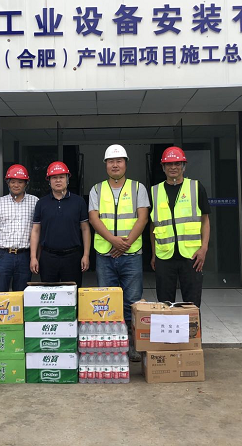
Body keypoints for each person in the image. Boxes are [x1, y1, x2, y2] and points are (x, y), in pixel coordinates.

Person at [88, 145, 149, 354]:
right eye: (111, 161)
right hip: (105, 255)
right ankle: (112, 345)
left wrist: (125, 244)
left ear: (126, 164)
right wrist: (113, 241)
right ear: (106, 165)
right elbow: (94, 218)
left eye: (119, 161)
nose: (115, 165)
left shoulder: (138, 188)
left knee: (133, 302)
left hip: (131, 255)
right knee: (107, 302)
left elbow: (143, 218)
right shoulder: (96, 189)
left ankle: (133, 345)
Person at [150, 147, 211, 308]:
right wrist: (154, 253)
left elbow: (205, 220)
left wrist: (204, 249)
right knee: (164, 304)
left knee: (192, 303)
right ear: (163, 167)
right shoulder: (154, 191)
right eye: (169, 164)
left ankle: (192, 326)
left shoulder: (196, 187)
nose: (173, 167)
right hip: (164, 256)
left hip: (191, 256)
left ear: (183, 166)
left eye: (177, 163)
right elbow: (153, 226)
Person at [30, 161, 90, 287]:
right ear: (49, 180)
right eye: (54, 177)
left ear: (67, 179)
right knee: (49, 294)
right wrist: (33, 257)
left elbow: (85, 229)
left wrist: (86, 255)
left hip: (72, 257)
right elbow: (36, 230)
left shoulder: (79, 202)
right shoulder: (41, 203)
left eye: (61, 177)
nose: (58, 180)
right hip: (48, 257)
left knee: (72, 294)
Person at [0, 164, 38, 292]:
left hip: (25, 255)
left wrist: (35, 257)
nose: (16, 185)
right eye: (13, 182)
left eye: (20, 182)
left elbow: (37, 231)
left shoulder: (35, 202)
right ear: (8, 183)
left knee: (22, 295)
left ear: (26, 183)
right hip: (3, 255)